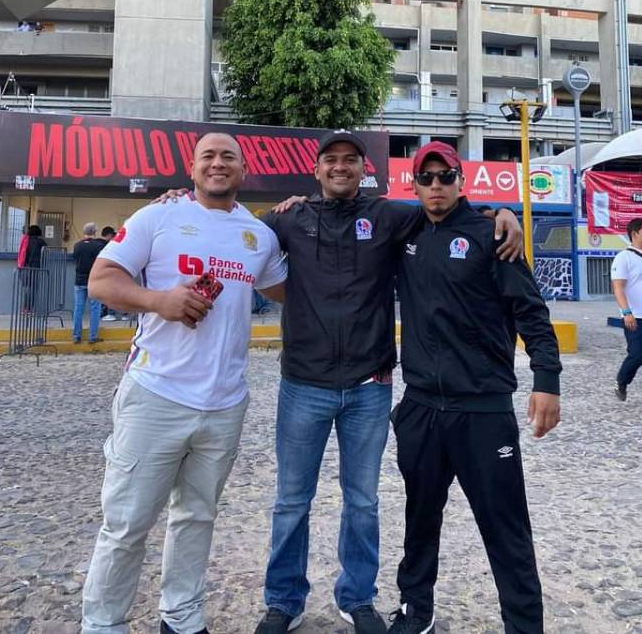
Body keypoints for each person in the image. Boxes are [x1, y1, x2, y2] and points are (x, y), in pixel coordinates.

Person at [159, 132, 522, 634]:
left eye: (349, 160)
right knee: (291, 499)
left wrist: (499, 212)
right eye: (330, 160)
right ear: (316, 169)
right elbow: (229, 227)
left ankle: (358, 597)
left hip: (370, 385)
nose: (340, 167)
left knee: (363, 500)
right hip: (303, 384)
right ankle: (284, 600)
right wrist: (179, 200)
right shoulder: (288, 218)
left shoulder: (391, 215)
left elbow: (444, 206)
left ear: (362, 170)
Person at [82, 132, 286, 634]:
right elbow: (101, 280)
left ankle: (182, 617)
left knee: (196, 517)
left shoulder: (257, 235)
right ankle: (103, 624)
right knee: (127, 523)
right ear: (191, 168)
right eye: (208, 157)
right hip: (156, 394)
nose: (218, 164)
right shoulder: (158, 216)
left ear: (243, 168)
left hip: (225, 403)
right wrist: (160, 301)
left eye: (228, 157)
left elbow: (292, 290)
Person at [387, 142, 562, 634]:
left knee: (506, 531)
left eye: (446, 177)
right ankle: (415, 609)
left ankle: (524, 626)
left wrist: (546, 380)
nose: (436, 186)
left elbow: (532, 312)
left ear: (461, 181)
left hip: (483, 412)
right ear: (414, 184)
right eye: (427, 178)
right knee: (419, 521)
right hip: (420, 409)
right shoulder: (406, 232)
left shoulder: (494, 235)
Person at [611, 217, 642, 414]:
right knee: (638, 355)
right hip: (636, 317)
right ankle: (622, 380)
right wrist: (626, 312)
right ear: (634, 234)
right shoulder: (624, 258)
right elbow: (618, 287)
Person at [72, 222, 106, 344]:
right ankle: (92, 336)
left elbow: (75, 258)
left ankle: (76, 336)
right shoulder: (98, 246)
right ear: (94, 232)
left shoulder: (77, 246)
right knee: (95, 308)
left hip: (79, 280)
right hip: (94, 280)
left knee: (78, 308)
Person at [20, 223, 47, 312]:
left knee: (27, 288)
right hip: (35, 268)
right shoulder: (40, 242)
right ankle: (29, 308)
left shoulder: (25, 241)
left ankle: (25, 308)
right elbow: (47, 252)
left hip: (25, 268)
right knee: (33, 289)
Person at [99, 225, 122, 322]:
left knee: (111, 292)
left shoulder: (113, 243)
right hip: (121, 270)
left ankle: (111, 313)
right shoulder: (120, 238)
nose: (105, 239)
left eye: (105, 237)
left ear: (109, 235)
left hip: (114, 270)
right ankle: (123, 314)